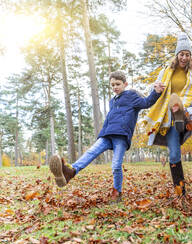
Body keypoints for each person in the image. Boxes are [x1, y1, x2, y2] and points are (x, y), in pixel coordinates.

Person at [49, 71, 165, 203]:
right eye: (112, 85)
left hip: (121, 135)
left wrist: (156, 92)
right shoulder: (112, 101)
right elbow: (110, 118)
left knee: (116, 166)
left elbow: (146, 102)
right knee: (91, 152)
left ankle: (117, 193)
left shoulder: (131, 95)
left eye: (118, 84)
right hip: (107, 134)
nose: (115, 87)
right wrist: (102, 133)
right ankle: (71, 172)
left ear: (125, 84)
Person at [144, 32, 192, 197]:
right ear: (177, 55)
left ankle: (180, 110)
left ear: (190, 56)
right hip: (167, 117)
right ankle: (180, 190)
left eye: (187, 55)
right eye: (182, 54)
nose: (184, 58)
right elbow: (155, 91)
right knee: (174, 153)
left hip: (185, 115)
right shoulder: (165, 72)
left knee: (181, 109)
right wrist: (155, 89)